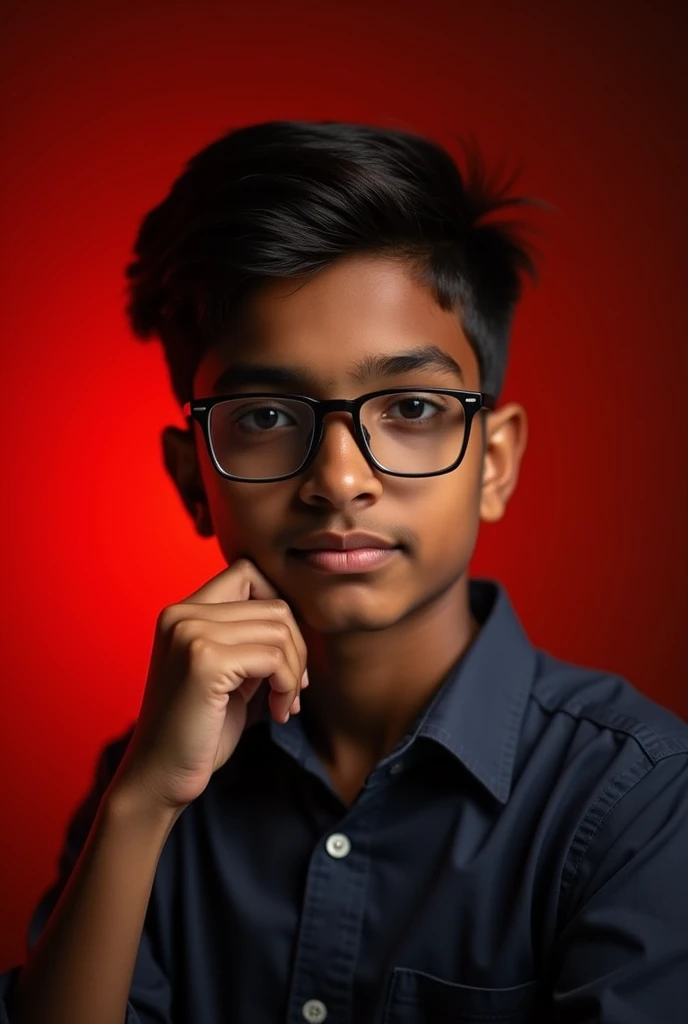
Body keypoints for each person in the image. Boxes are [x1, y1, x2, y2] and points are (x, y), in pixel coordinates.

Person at [1, 120, 686, 1024]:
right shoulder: (153, 780)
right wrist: (137, 808)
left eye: (410, 406)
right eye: (265, 415)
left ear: (495, 463)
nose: (339, 479)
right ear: (191, 480)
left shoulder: (636, 796)